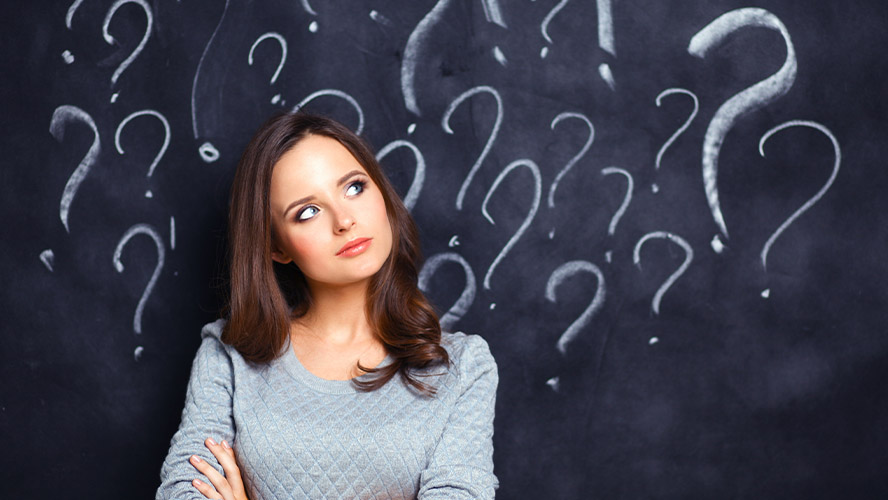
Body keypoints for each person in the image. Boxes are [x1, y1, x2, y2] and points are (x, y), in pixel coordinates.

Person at [155, 112, 499, 500]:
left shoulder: (463, 366)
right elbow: (185, 492)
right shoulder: (229, 354)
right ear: (275, 246)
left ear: (382, 193)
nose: (344, 220)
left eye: (354, 187)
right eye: (307, 212)